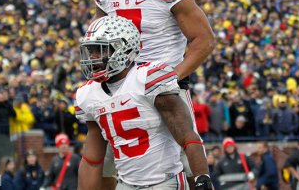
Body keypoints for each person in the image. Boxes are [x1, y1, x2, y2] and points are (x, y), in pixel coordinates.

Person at [91, 0, 215, 188]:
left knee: (184, 161)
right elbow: (98, 36)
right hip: (120, 85)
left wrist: (171, 77)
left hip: (164, 87)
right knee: (112, 164)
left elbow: (203, 40)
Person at [76, 16, 212, 190]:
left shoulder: (148, 78)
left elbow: (187, 135)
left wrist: (202, 178)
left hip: (165, 182)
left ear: (123, 50)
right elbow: (92, 161)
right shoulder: (89, 94)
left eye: (100, 50)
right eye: (91, 50)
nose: (93, 57)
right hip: (126, 184)